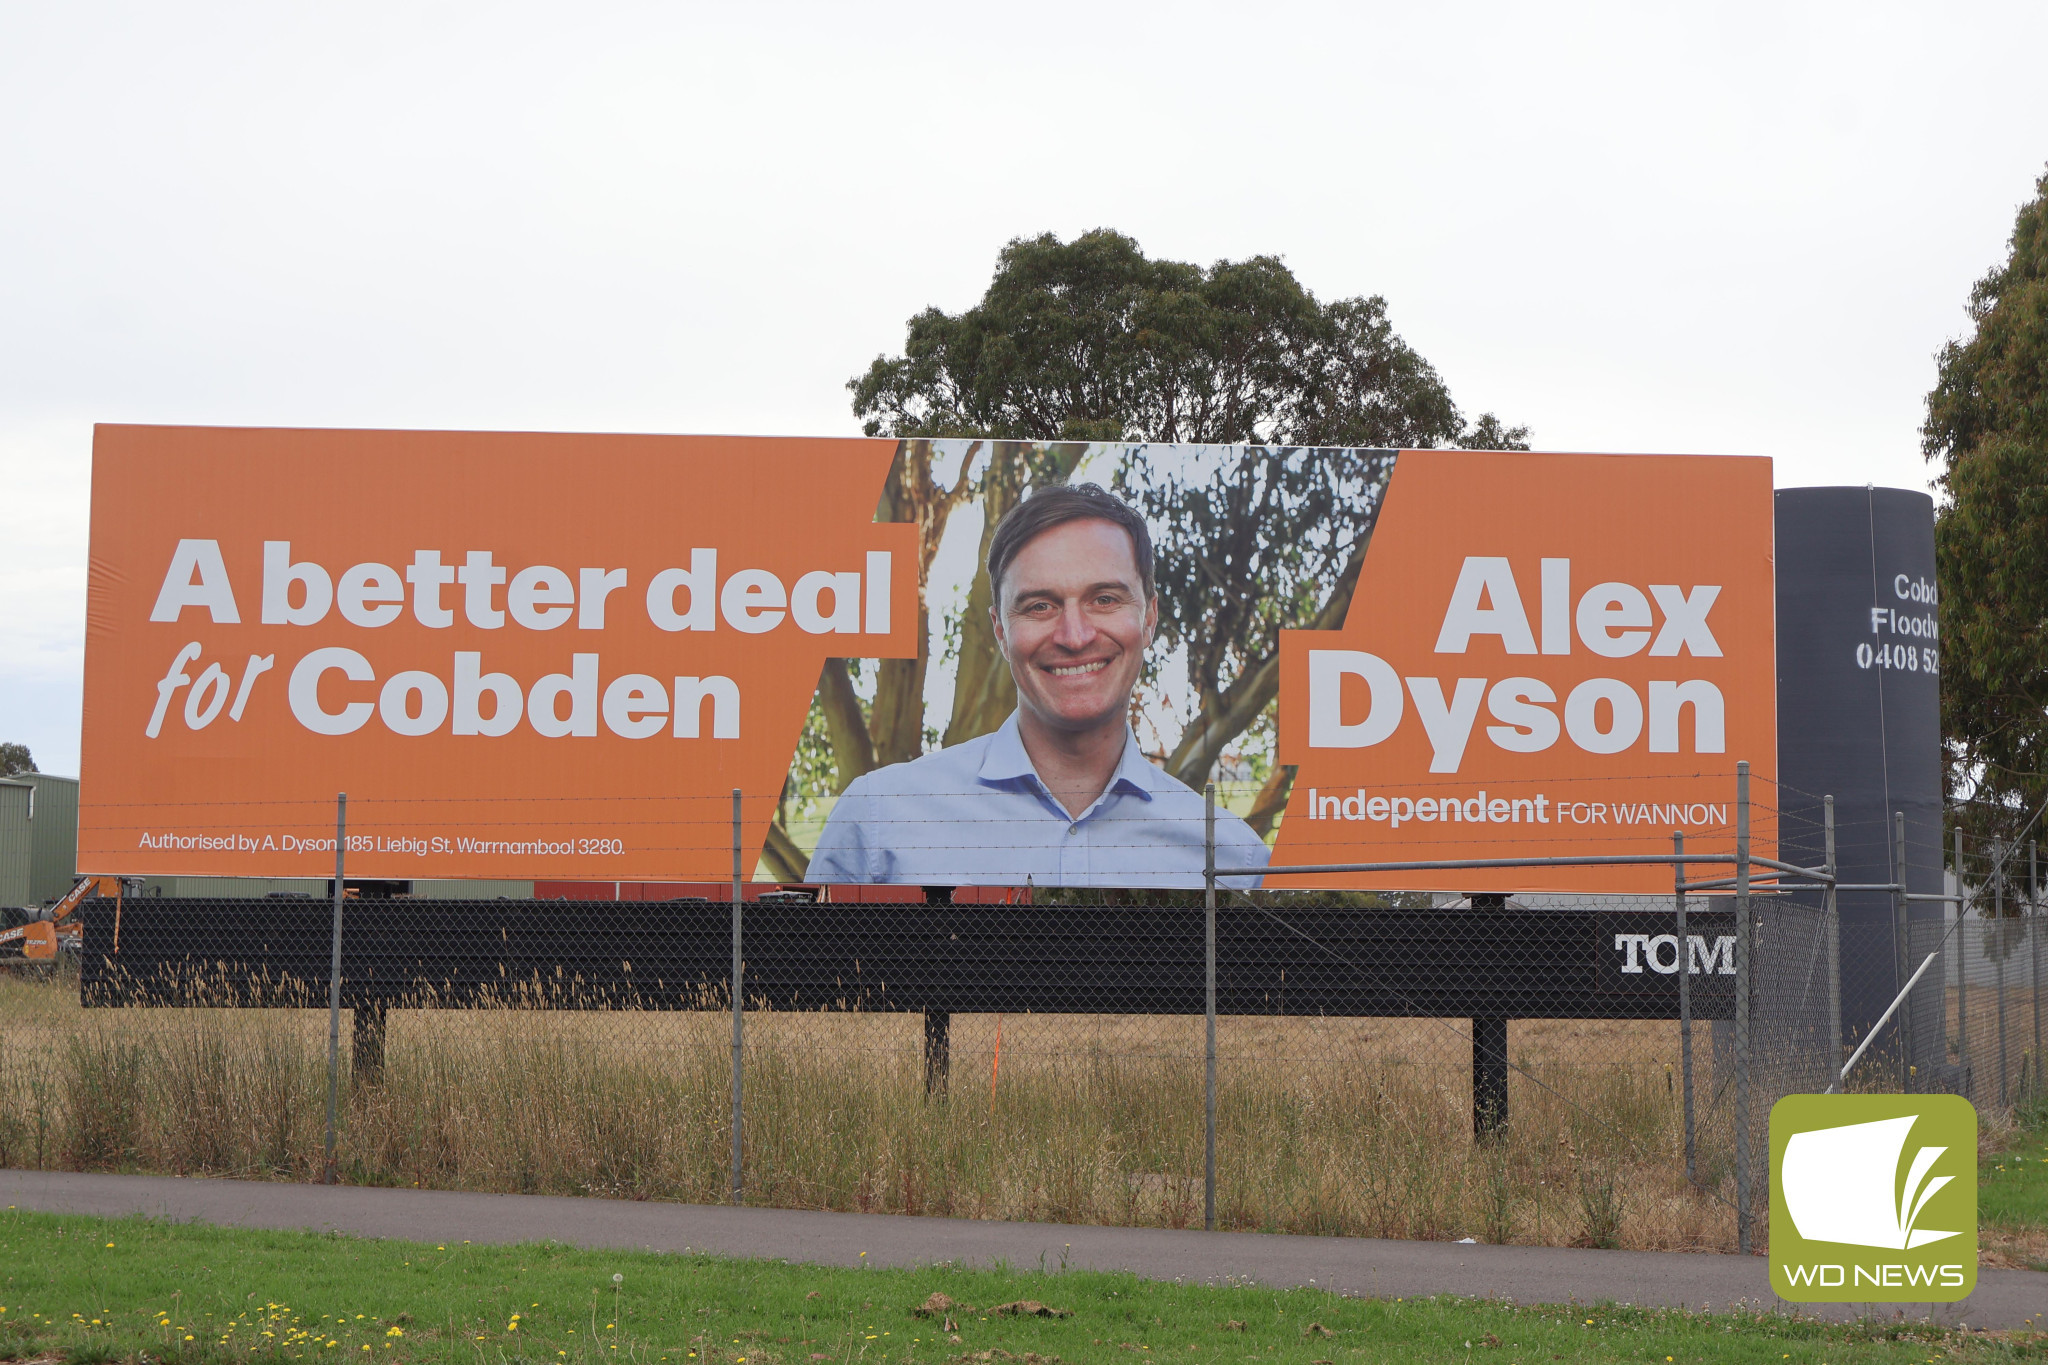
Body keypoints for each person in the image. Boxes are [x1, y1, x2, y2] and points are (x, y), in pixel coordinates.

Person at [806, 483, 1269, 889]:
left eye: (1104, 599)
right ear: (1001, 632)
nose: (1075, 635)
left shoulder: (1234, 861)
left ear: (1148, 619)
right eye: (1040, 606)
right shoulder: (877, 822)